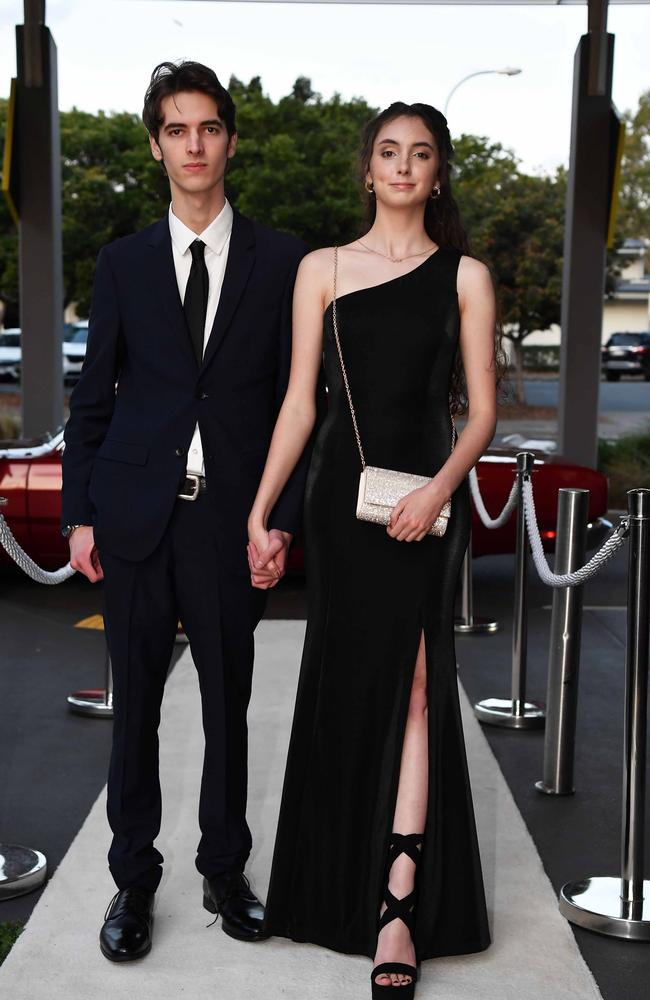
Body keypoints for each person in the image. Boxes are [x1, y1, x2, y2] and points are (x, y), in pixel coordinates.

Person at [61, 60, 311, 962]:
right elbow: (92, 401)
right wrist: (79, 514)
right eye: (177, 129)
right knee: (137, 714)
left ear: (231, 141)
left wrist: (280, 517)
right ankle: (134, 878)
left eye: (209, 128)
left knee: (226, 706)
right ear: (157, 145)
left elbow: (300, 399)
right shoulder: (122, 262)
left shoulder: (285, 260)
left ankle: (224, 867)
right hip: (132, 516)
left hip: (230, 522)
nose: (194, 145)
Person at [248, 102, 499, 997]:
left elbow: (481, 411)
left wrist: (438, 488)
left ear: (437, 173)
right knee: (348, 688)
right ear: (369, 169)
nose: (402, 166)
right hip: (340, 506)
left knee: (422, 686)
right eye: (389, 152)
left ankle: (398, 903)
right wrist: (261, 507)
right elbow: (298, 406)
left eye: (420, 154)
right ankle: (330, 879)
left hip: (425, 504)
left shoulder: (465, 276)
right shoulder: (321, 269)